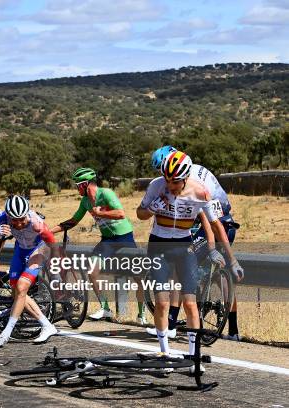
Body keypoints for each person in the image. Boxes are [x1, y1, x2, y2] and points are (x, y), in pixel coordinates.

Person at [137, 151, 222, 373]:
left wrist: (215, 250)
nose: (169, 185)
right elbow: (140, 214)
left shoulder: (200, 192)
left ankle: (194, 357)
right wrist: (153, 208)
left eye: (174, 181)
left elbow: (212, 223)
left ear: (185, 178)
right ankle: (164, 353)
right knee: (163, 302)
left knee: (190, 303)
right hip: (159, 245)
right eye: (166, 179)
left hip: (185, 246)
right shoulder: (156, 186)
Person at [150, 146, 244, 340]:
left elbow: (208, 222)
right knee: (219, 275)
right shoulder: (190, 169)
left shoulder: (191, 184)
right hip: (225, 220)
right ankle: (233, 330)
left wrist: (211, 248)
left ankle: (172, 324)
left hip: (217, 223)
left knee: (181, 266)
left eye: (165, 171)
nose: (165, 180)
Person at [51, 168, 147, 324]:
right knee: (92, 270)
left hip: (124, 238)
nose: (77, 188)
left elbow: (121, 213)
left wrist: (101, 213)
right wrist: (49, 231)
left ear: (85, 184)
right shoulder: (85, 201)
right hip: (107, 241)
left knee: (138, 277)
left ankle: (141, 314)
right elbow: (73, 221)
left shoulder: (106, 193)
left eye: (78, 185)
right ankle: (105, 307)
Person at [0, 195, 59, 348]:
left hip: (38, 249)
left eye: (21, 219)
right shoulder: (3, 218)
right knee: (16, 291)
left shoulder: (36, 223)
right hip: (21, 250)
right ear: (8, 216)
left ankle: (5, 334)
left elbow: (52, 244)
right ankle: (47, 326)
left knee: (22, 287)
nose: (18, 223)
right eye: (14, 220)